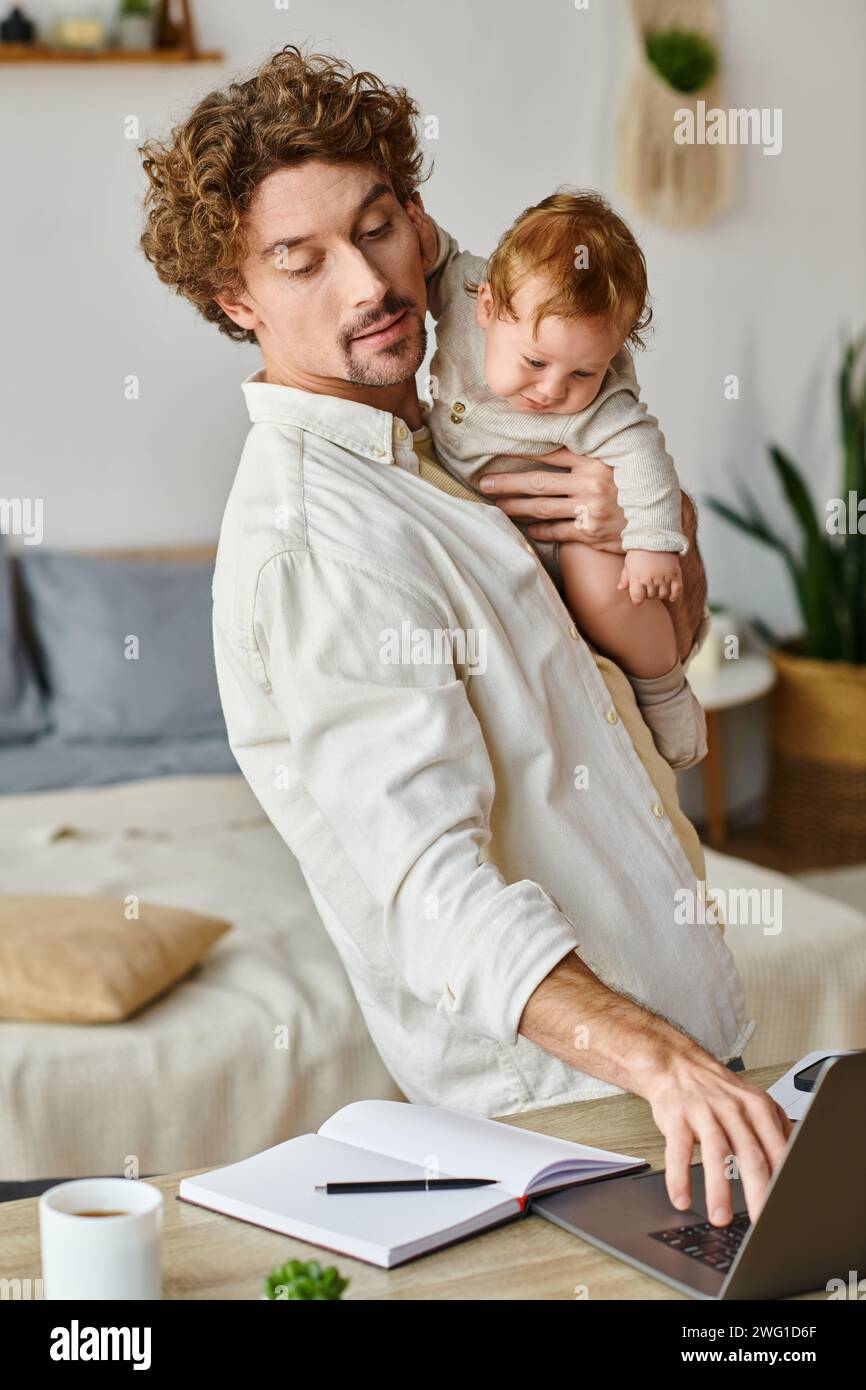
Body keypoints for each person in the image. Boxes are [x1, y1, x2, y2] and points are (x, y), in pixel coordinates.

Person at [139, 45, 792, 1228]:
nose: (365, 284)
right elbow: (431, 889)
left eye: (377, 225)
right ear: (237, 301)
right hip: (561, 1120)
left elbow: (668, 636)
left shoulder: (462, 425)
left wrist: (650, 523)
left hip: (681, 1061)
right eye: (301, 261)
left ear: (422, 222)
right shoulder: (315, 541)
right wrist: (657, 1060)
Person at [422, 188, 707, 771]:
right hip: (498, 542)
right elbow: (441, 258)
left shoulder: (603, 401)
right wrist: (421, 237)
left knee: (611, 592)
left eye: (583, 370)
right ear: (488, 306)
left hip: (569, 533)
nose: (554, 390)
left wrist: (654, 542)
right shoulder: (462, 291)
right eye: (535, 362)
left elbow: (642, 451)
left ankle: (664, 689)